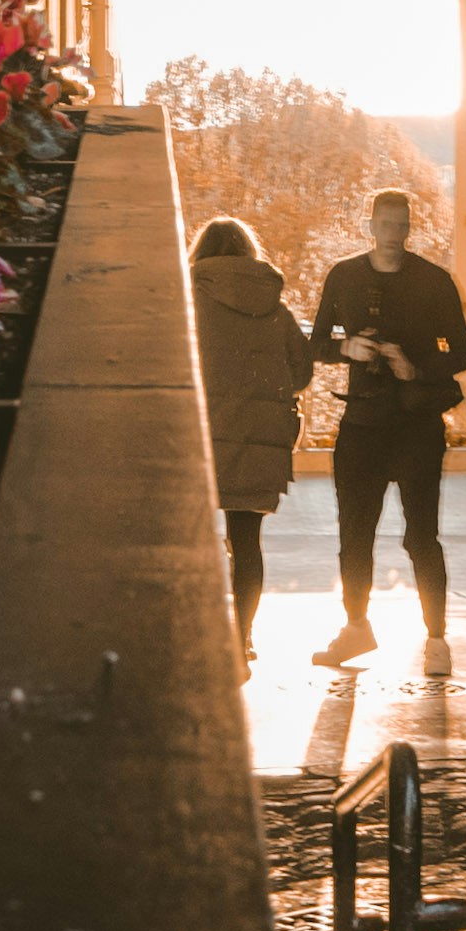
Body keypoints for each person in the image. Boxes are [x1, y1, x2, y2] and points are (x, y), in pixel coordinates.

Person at [308, 185, 466, 664]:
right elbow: (315, 344)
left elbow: (460, 353)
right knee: (353, 533)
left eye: (402, 226)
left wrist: (415, 367)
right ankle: (356, 626)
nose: (393, 235)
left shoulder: (434, 281)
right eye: (385, 225)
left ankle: (437, 638)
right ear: (369, 226)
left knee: (421, 533)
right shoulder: (342, 277)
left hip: (417, 423)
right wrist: (347, 349)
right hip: (361, 420)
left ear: (409, 228)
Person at [190, 215, 312, 651]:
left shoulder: (188, 302)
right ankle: (242, 637)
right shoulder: (274, 308)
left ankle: (198, 636)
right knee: (247, 545)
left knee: (194, 543)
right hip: (259, 439)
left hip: (199, 439)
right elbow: (300, 372)